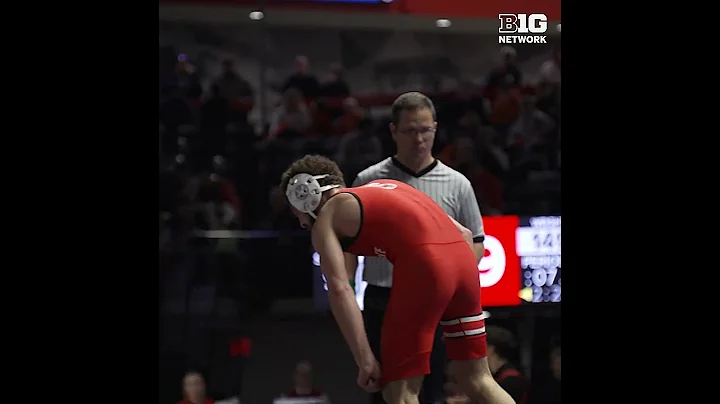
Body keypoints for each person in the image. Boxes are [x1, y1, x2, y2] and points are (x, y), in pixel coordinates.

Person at [280, 155, 514, 404]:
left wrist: (365, 358)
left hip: (424, 267)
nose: (299, 220)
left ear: (304, 192)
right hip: (464, 264)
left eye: (295, 211)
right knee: (477, 379)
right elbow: (465, 233)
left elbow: (340, 289)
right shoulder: (389, 187)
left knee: (399, 392)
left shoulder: (327, 216)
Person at [350, 92, 486, 404]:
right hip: (382, 296)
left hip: (433, 298)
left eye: (426, 130)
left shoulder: (457, 184)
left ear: (436, 128)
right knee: (383, 388)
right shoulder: (368, 180)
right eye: (410, 130)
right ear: (393, 131)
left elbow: (475, 243)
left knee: (432, 385)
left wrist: (450, 284)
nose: (419, 138)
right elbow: (350, 246)